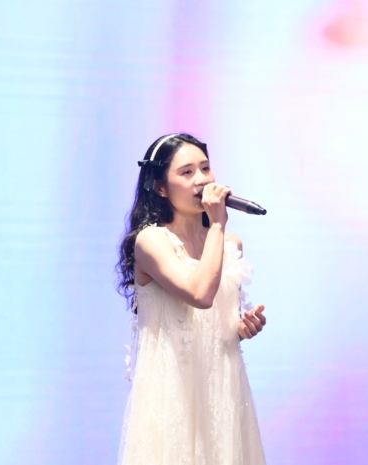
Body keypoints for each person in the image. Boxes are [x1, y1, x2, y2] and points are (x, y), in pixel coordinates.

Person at [116, 133, 267, 465]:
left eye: (205, 168)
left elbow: (216, 318)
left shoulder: (230, 244)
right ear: (160, 188)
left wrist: (241, 327)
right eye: (187, 172)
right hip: (174, 392)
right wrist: (217, 224)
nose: (202, 179)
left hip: (222, 386)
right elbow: (199, 294)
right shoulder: (151, 241)